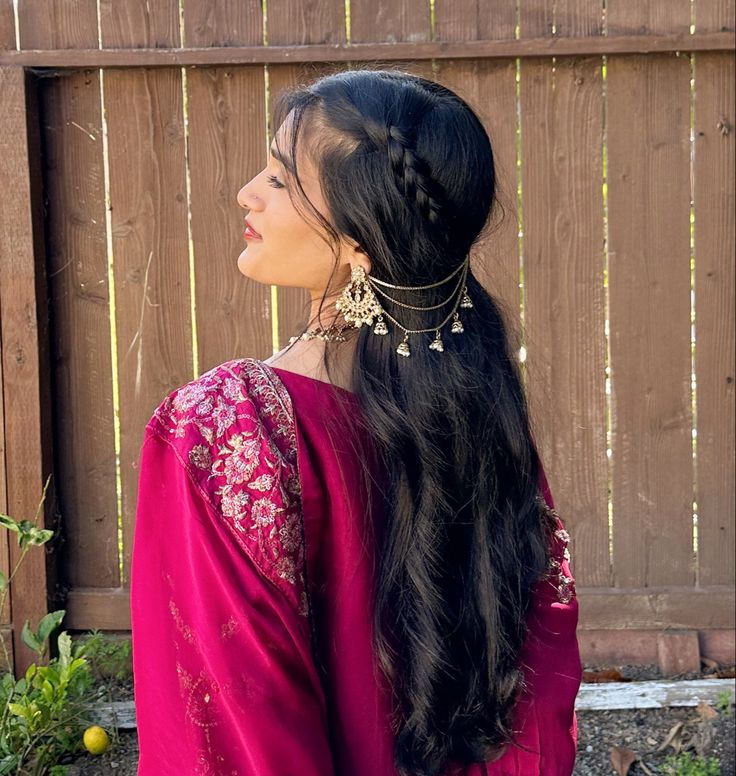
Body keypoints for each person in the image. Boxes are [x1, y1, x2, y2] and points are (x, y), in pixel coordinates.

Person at [130, 68, 582, 776]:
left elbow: (230, 718)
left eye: (280, 179)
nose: (247, 191)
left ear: (358, 243)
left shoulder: (228, 427)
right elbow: (537, 680)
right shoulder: (476, 404)